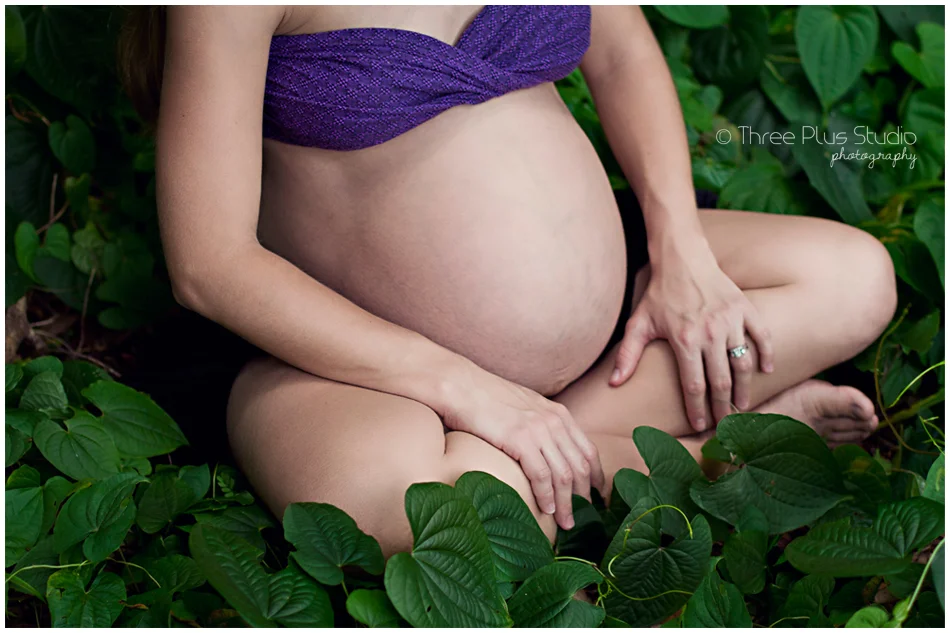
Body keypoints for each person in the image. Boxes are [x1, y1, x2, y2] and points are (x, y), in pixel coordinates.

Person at [120, 5, 896, 556]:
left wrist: (681, 250)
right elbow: (210, 265)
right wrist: (465, 388)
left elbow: (622, 53)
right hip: (360, 367)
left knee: (854, 278)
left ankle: (574, 441)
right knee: (444, 516)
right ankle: (707, 461)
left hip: (613, 326)